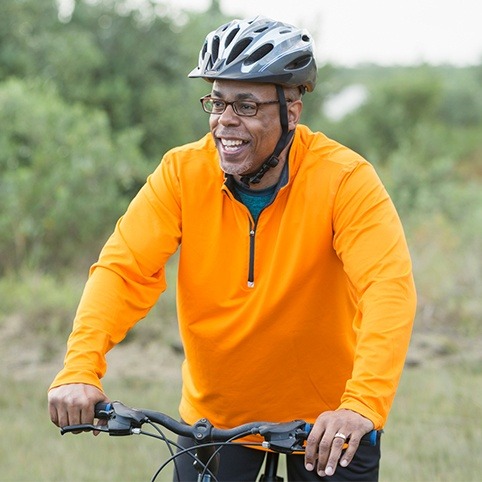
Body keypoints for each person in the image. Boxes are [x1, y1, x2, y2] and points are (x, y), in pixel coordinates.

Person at [48, 16, 416, 481]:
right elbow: (123, 271)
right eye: (217, 102)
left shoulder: (344, 179)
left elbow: (388, 290)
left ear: (292, 112)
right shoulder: (182, 173)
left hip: (329, 424)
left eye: (245, 105)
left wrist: (362, 404)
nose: (225, 121)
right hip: (214, 419)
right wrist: (80, 368)